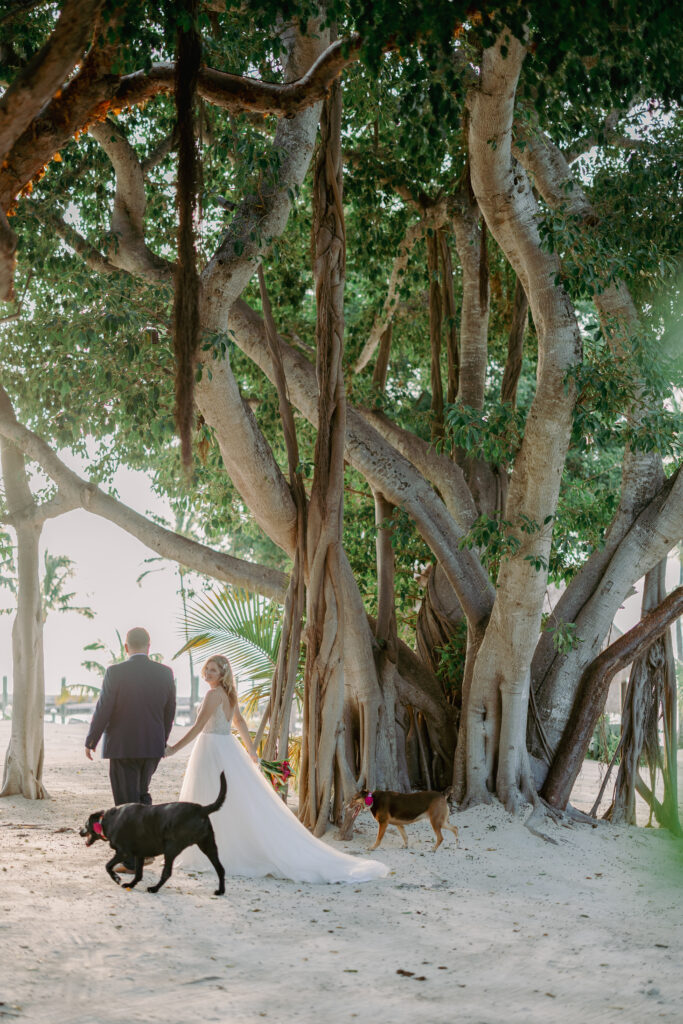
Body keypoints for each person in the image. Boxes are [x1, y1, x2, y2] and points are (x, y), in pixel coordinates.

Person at [165, 655, 388, 884]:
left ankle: (215, 848)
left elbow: (199, 726)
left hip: (212, 748)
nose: (208, 673)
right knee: (225, 800)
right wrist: (251, 751)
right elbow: (239, 723)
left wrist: (174, 748)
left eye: (213, 670)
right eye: (206, 669)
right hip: (226, 747)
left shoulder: (214, 695)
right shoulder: (229, 695)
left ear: (222, 674)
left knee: (207, 797)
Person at [85, 627, 176, 870]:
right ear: (149, 646)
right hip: (152, 746)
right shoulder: (165, 673)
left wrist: (91, 740)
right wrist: (161, 740)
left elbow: (104, 709)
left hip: (123, 746)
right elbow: (170, 712)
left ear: (126, 647)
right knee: (141, 797)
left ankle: (131, 860)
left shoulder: (115, 672)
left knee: (126, 802)